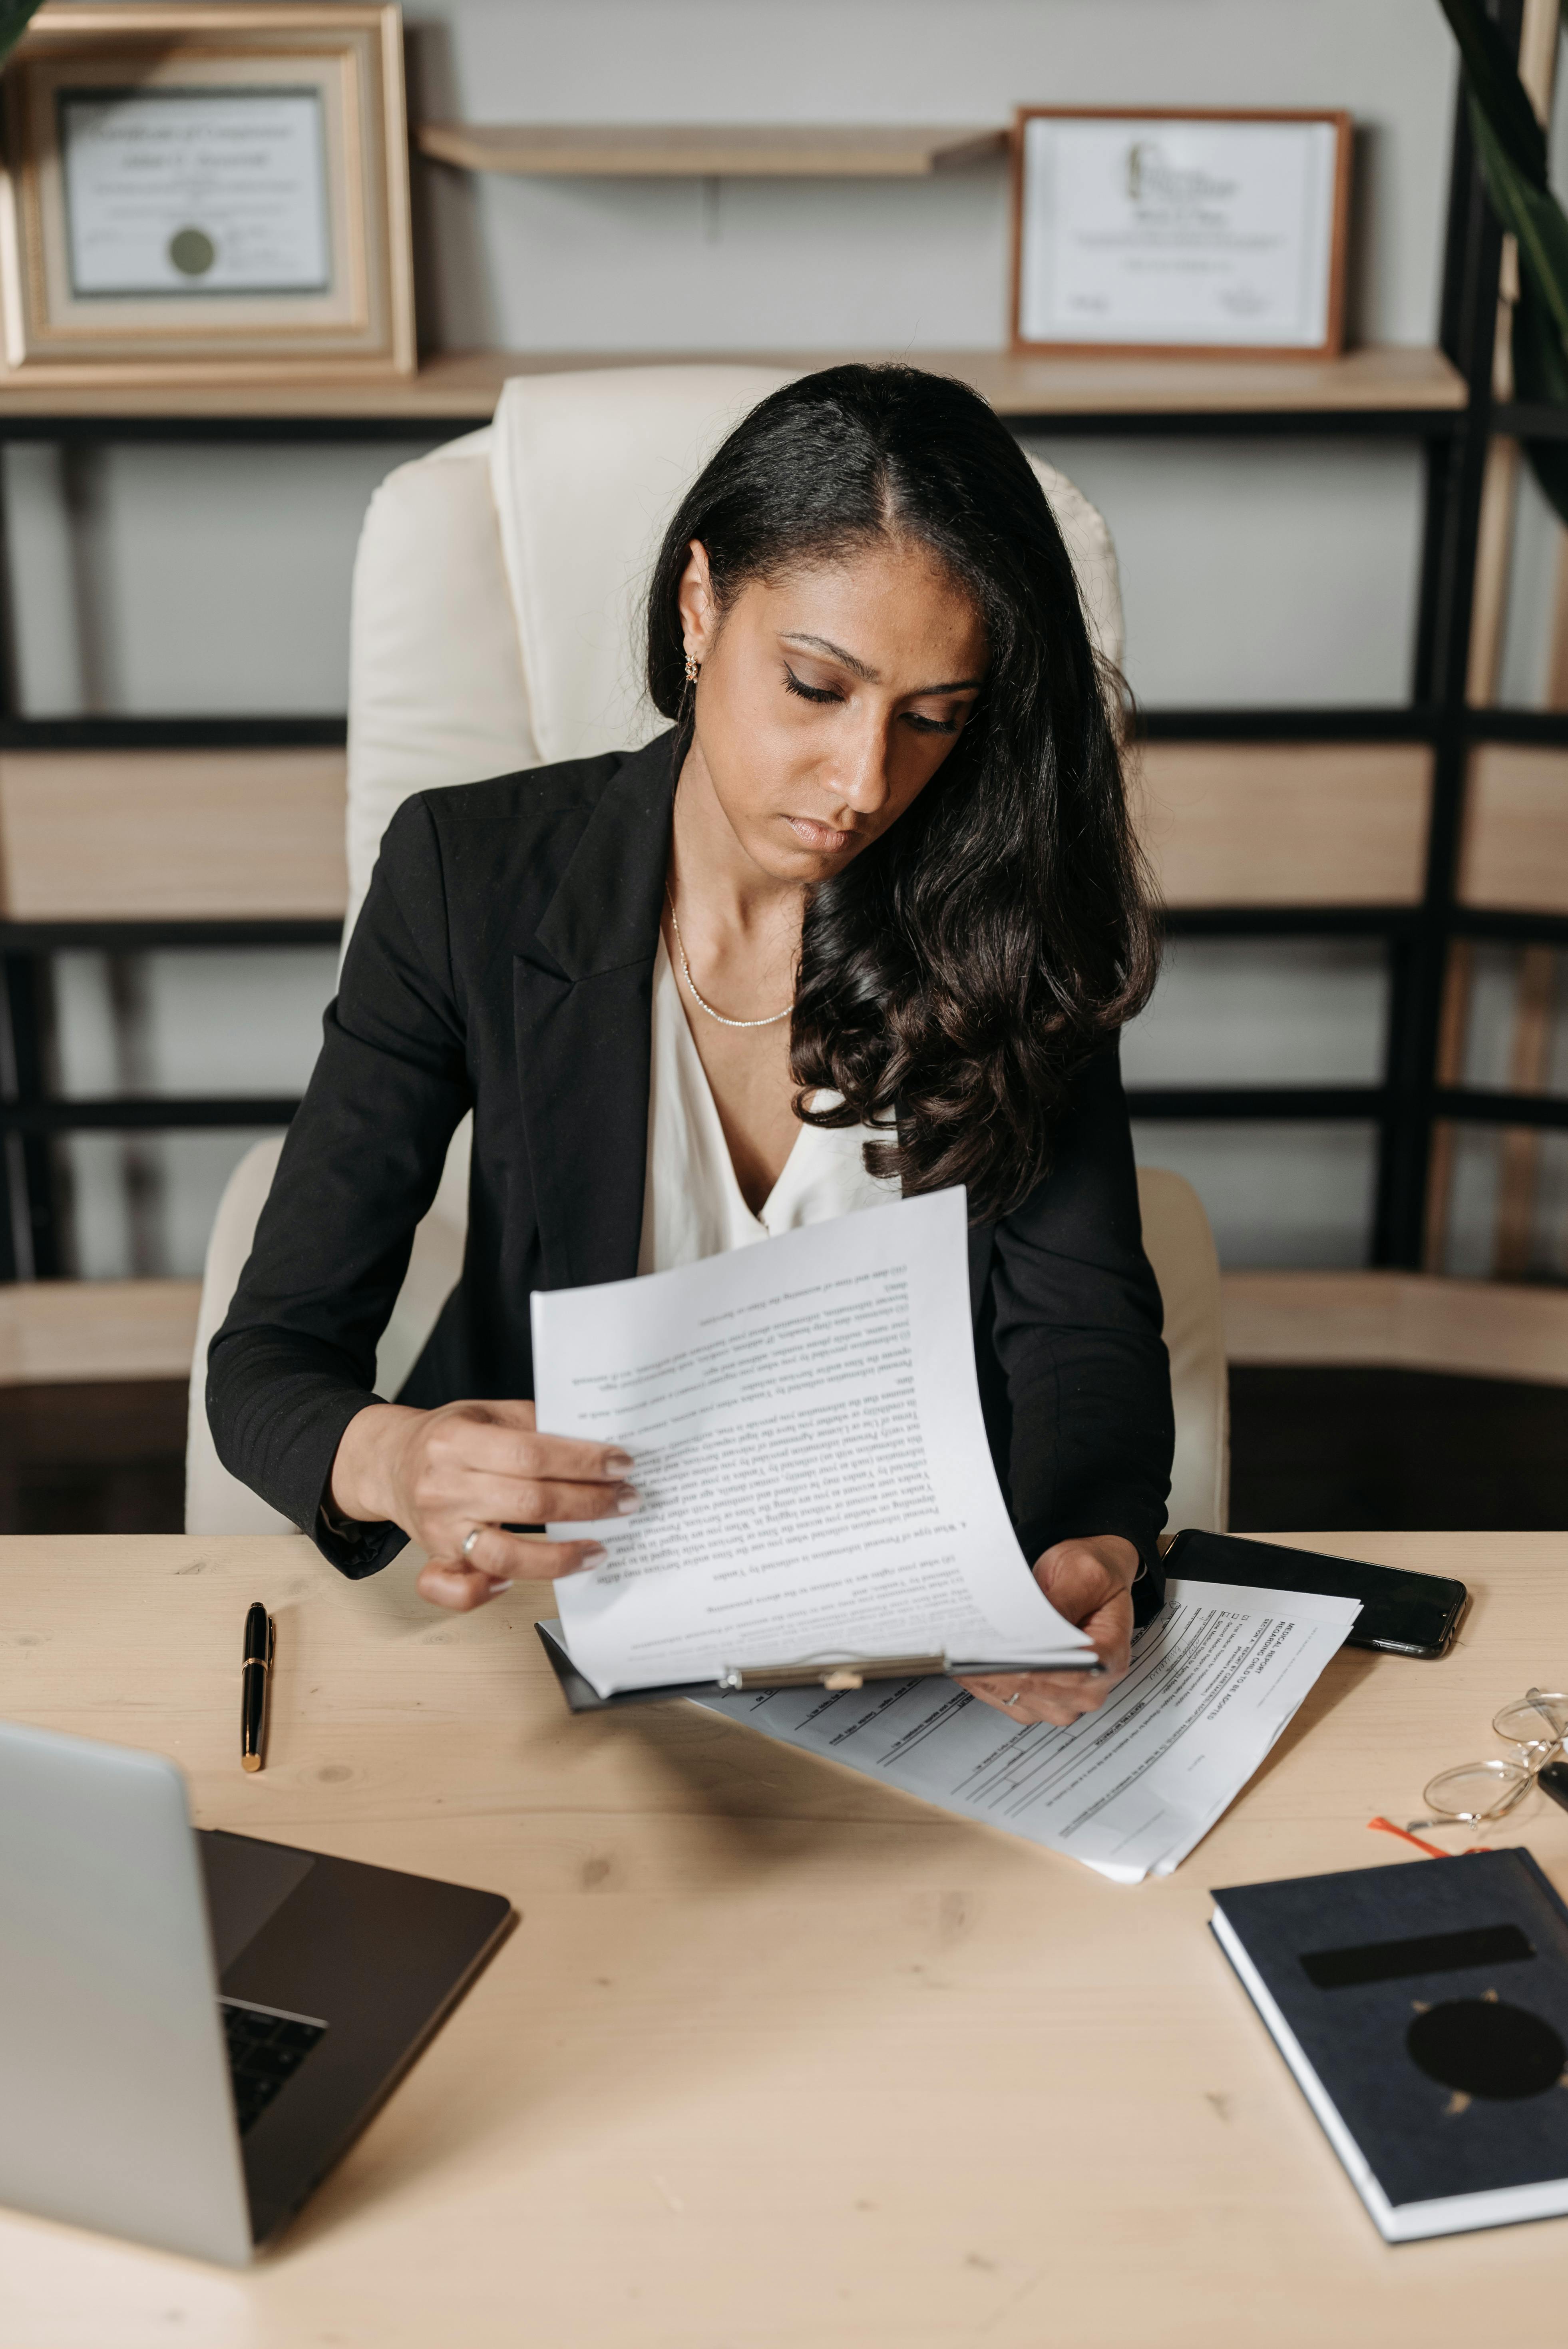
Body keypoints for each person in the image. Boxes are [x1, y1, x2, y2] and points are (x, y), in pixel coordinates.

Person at [209, 364, 1174, 1728]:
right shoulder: (467, 873)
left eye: (932, 719)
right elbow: (267, 1362)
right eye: (814, 686)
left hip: (924, 1615)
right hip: (561, 1599)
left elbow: (1078, 1323)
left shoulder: (1006, 909)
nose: (861, 785)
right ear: (701, 602)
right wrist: (395, 1458)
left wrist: (1086, 1547)